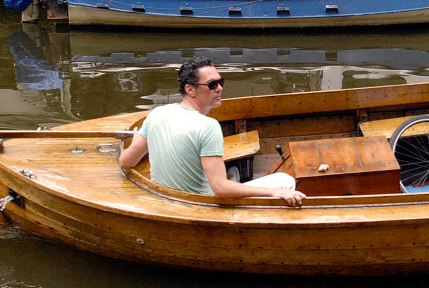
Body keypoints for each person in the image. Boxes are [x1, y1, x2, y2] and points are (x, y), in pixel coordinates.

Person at [119, 56, 305, 206]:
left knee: (230, 172)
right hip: (200, 204)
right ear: (190, 89)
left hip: (166, 199)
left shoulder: (156, 114)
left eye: (220, 82)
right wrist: (275, 192)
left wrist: (137, 142)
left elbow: (126, 162)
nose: (220, 88)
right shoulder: (208, 126)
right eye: (212, 84)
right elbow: (220, 189)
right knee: (284, 180)